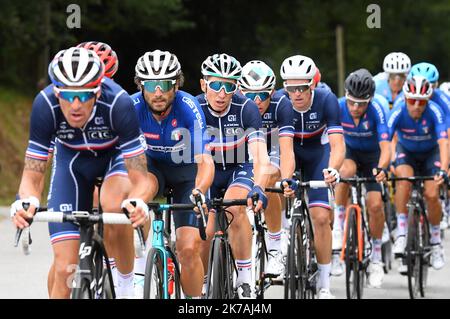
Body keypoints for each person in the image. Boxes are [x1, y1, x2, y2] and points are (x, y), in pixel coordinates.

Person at [10, 47, 152, 298]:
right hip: (72, 165)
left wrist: (138, 200)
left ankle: (126, 286)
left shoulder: (118, 103)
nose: (75, 105)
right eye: (67, 94)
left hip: (114, 160)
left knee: (112, 203)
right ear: (56, 91)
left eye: (85, 95)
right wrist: (28, 200)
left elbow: (140, 177)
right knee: (65, 269)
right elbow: (32, 175)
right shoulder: (45, 105)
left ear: (98, 91)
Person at [132, 49, 214, 299]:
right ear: (140, 86)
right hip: (151, 170)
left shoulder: (188, 108)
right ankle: (139, 263)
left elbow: (205, 161)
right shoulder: (131, 107)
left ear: (176, 85)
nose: (158, 92)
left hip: (186, 174)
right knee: (138, 189)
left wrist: (199, 190)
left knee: (188, 250)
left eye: (165, 84)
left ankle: (194, 302)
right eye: (151, 85)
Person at [197, 53, 271, 299]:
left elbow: (260, 156)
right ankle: (206, 280)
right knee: (205, 228)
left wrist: (259, 186)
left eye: (228, 86)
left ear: (235, 88)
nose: (221, 93)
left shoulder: (246, 108)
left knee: (234, 208)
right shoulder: (194, 107)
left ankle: (244, 279)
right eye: (215, 84)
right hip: (207, 170)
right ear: (203, 84)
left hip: (238, 168)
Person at [277, 54, 345, 299]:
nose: (296, 94)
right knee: (279, 188)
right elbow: (273, 146)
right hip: (290, 153)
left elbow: (337, 145)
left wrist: (334, 168)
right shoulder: (278, 101)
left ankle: (325, 285)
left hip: (318, 155)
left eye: (302, 88)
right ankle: (281, 238)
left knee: (320, 217)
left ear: (312, 84)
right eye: (290, 88)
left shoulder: (327, 100)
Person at [333, 69, 390, 288]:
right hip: (349, 153)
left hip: (373, 157)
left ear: (370, 100)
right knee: (344, 172)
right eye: (352, 102)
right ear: (346, 96)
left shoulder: (377, 110)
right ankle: (338, 224)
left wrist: (382, 168)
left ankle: (376, 257)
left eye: (361, 103)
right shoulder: (337, 106)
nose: (356, 108)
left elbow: (387, 147)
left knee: (375, 205)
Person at [238, 60, 295, 278]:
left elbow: (287, 150)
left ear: (272, 91)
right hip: (245, 152)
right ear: (241, 93)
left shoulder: (282, 104)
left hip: (274, 152)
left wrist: (287, 178)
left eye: (263, 95)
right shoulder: (236, 104)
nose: (257, 101)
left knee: (269, 178)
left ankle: (274, 248)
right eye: (251, 96)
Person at [388, 75, 448, 272]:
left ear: (427, 100)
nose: (416, 105)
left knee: (432, 194)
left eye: (421, 101)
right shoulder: (397, 111)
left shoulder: (435, 112)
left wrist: (444, 169)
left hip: (431, 154)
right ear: (405, 98)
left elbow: (444, 143)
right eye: (412, 100)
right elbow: (386, 141)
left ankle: (436, 241)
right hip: (407, 152)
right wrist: (387, 163)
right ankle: (403, 232)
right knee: (404, 180)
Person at [408, 62, 450, 229]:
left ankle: (445, 203)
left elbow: (447, 135)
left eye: (431, 85)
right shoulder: (408, 98)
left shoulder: (442, 101)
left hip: (437, 142)